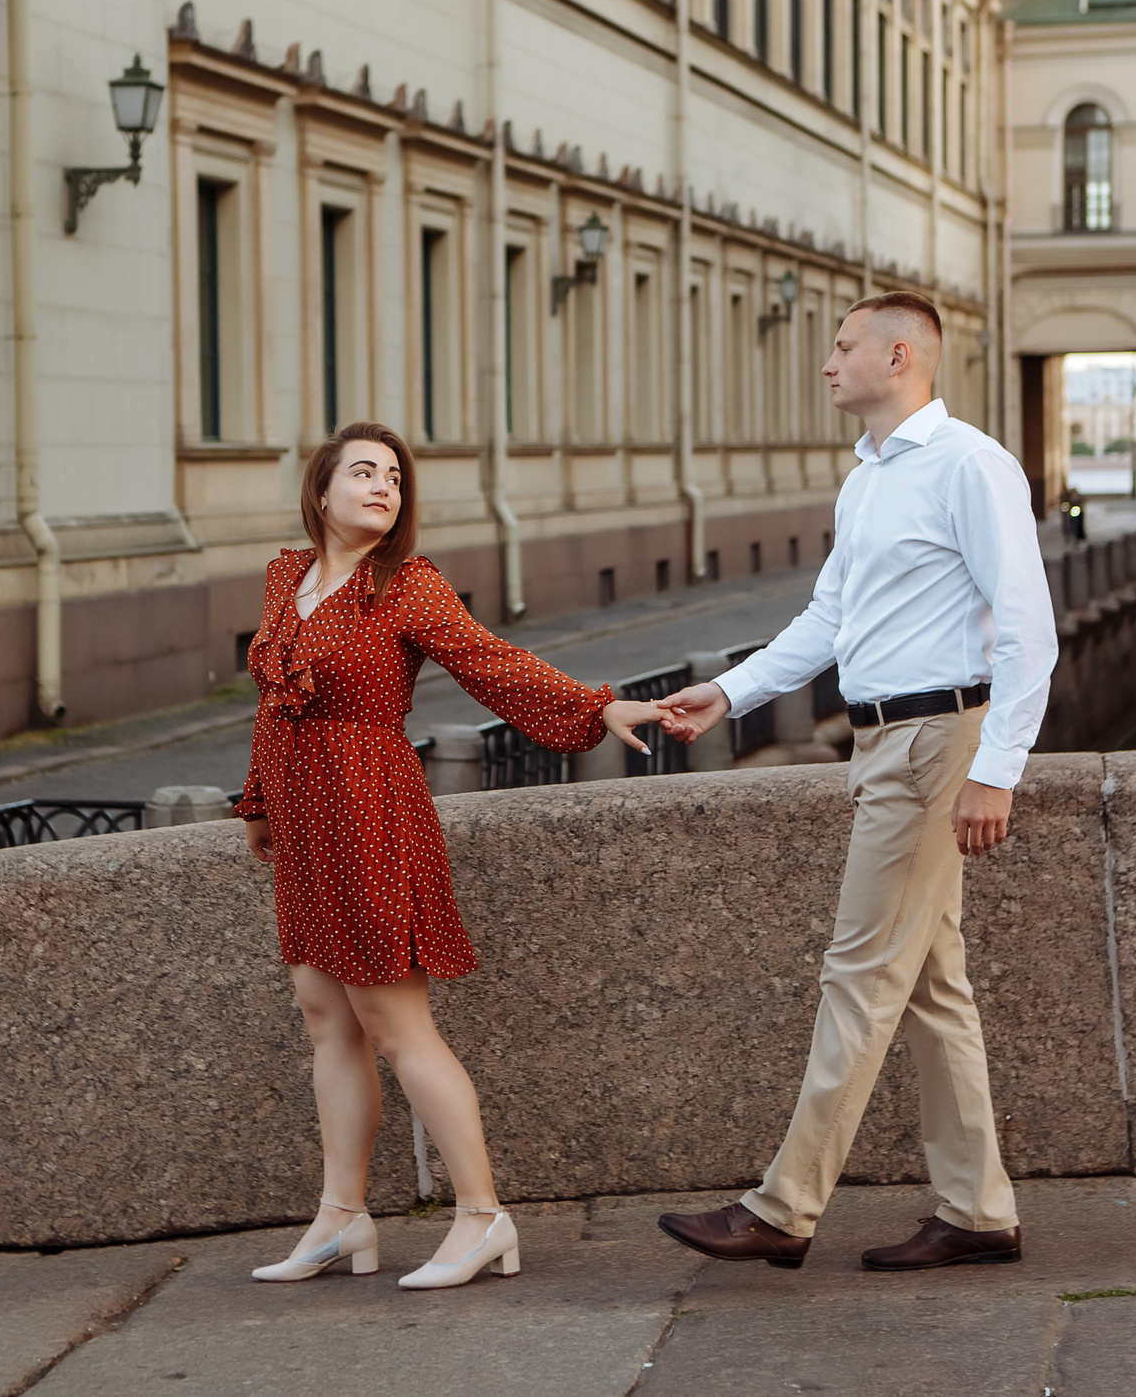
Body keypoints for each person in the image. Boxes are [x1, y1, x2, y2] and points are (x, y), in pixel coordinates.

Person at [649, 291, 1058, 1275]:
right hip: (887, 743)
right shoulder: (868, 475)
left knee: (859, 973)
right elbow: (829, 620)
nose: (829, 364)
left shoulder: (968, 464)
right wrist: (730, 692)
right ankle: (977, 1211)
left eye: (843, 347)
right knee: (930, 987)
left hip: (933, 741)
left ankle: (782, 1208)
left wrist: (995, 770)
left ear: (900, 356)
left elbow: (1027, 627)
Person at [235, 422, 667, 1291]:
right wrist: (258, 801)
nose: (383, 486)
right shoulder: (288, 577)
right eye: (364, 472)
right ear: (320, 490)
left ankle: (481, 1215)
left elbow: (490, 663)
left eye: (394, 477)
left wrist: (595, 707)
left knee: (395, 1023)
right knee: (326, 1016)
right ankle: (342, 1217)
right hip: (304, 821)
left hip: (369, 810)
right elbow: (276, 701)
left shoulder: (405, 584)